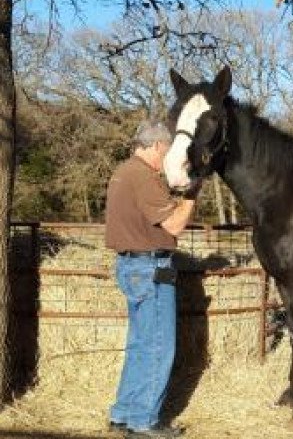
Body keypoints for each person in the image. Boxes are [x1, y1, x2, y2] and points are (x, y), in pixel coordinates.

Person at [105, 120, 201, 438]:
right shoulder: (144, 177)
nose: (167, 157)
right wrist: (191, 196)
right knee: (159, 347)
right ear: (158, 146)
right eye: (168, 149)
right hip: (150, 270)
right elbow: (173, 226)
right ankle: (144, 422)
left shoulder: (123, 171)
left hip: (131, 267)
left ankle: (123, 413)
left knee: (140, 346)